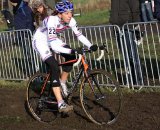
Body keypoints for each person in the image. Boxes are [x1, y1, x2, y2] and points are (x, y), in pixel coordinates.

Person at [31, 0, 95, 112]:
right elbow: (54, 46)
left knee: (71, 57)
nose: (70, 15)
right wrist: (71, 50)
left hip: (53, 39)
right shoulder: (52, 20)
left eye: (71, 12)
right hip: (40, 41)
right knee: (54, 66)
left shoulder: (71, 20)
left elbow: (79, 35)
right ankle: (61, 103)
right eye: (66, 13)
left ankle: (62, 82)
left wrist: (91, 45)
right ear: (59, 14)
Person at [110, 0, 143, 86]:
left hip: (127, 27)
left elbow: (135, 9)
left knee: (133, 56)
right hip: (117, 28)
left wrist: (136, 27)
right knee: (126, 57)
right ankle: (130, 80)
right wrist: (113, 25)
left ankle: (138, 81)